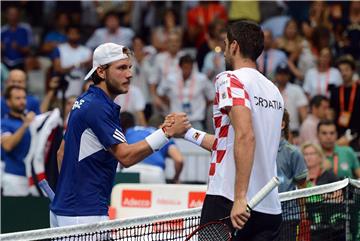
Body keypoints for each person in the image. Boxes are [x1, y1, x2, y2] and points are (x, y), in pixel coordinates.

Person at [50, 43, 190, 227]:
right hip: (84, 213)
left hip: (68, 209)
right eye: (122, 68)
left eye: (129, 67)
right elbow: (126, 156)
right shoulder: (98, 106)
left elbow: (62, 152)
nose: (129, 74)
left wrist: (69, 192)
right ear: (101, 72)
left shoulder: (85, 100)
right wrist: (166, 133)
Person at [181, 20, 283, 240]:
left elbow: (246, 136)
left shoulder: (229, 79)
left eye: (226, 44)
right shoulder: (274, 91)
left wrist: (239, 198)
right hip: (269, 206)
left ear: (234, 46)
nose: (224, 50)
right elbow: (228, 143)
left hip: (229, 200)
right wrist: (188, 133)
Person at [120, 112, 183, 184]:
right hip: (154, 172)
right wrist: (176, 178)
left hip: (130, 171)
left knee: (129, 195)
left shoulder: (130, 131)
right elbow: (179, 160)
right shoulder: (164, 135)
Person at [157, 54, 215, 130]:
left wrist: (203, 105)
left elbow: (212, 96)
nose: (187, 70)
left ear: (192, 67)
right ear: (180, 67)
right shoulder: (171, 79)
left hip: (196, 120)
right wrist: (169, 103)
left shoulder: (201, 79)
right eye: (185, 67)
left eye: (189, 67)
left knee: (198, 140)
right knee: (175, 141)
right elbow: (160, 92)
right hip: (176, 121)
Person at [1, 86, 35, 196]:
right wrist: (25, 125)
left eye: (24, 98)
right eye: (17, 98)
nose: (22, 101)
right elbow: (7, 145)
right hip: (14, 177)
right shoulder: (4, 123)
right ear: (8, 102)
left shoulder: (34, 120)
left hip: (34, 176)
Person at [330, 55, 360, 150]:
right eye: (341, 70)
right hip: (339, 133)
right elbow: (332, 113)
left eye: (346, 70)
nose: (344, 73)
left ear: (353, 70)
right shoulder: (335, 91)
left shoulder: (359, 88)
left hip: (357, 132)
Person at [276, 109, 308, 193]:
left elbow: (302, 185)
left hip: (288, 204)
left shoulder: (293, 152)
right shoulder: (257, 150)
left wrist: (302, 206)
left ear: (282, 124)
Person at [275, 63, 308, 135]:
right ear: (276, 75)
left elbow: (303, 114)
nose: (282, 76)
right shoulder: (271, 90)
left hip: (294, 131)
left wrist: (303, 133)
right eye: (280, 74)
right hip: (274, 131)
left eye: (285, 74)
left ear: (289, 76)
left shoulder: (296, 90)